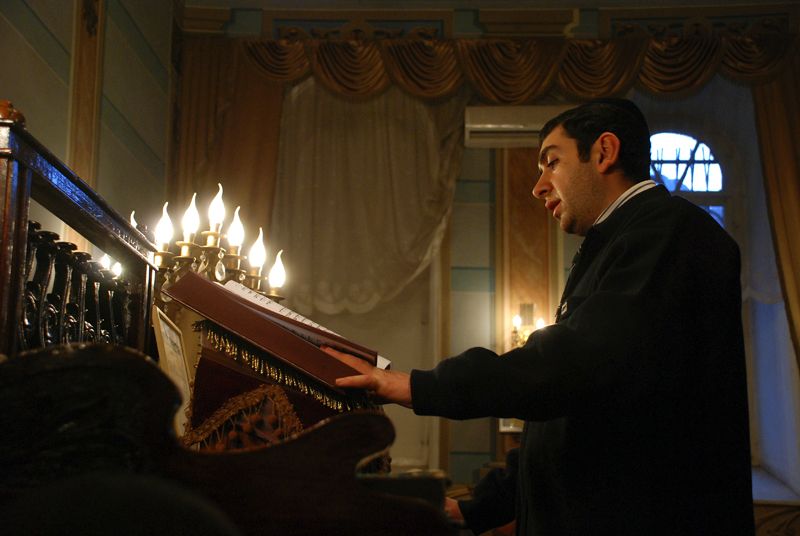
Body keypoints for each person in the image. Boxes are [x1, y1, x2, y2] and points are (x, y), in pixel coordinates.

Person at [323, 98, 754, 535]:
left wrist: (415, 385)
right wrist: (477, 509)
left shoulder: (671, 233)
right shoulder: (622, 240)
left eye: (552, 162)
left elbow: (572, 367)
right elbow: (571, 419)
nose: (538, 186)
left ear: (604, 152)